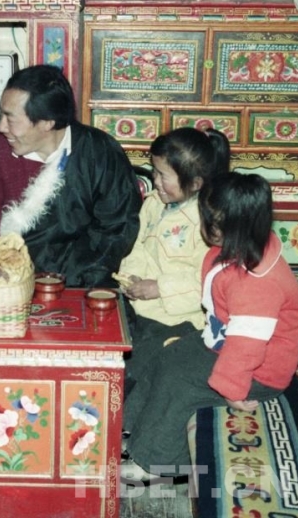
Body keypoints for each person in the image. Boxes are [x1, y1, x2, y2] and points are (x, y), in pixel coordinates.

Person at [120, 173, 298, 482]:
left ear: (227, 228)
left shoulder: (256, 286)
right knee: (166, 356)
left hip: (259, 368)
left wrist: (232, 390)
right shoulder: (241, 248)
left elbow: (246, 347)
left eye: (208, 220)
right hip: (222, 341)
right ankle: (134, 430)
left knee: (181, 385)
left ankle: (156, 462)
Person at [0, 64, 141, 287]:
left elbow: (117, 229)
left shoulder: (99, 152)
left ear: (47, 122)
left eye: (10, 119)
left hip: (85, 280)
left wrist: (64, 280)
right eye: (1, 114)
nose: (1, 127)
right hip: (7, 279)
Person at [117, 127, 230, 380]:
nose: (155, 181)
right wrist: (131, 276)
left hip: (181, 319)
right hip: (139, 310)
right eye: (154, 171)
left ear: (196, 183)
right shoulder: (153, 203)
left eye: (163, 175)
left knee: (140, 373)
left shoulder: (208, 221)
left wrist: (159, 288)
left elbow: (210, 280)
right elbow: (137, 245)